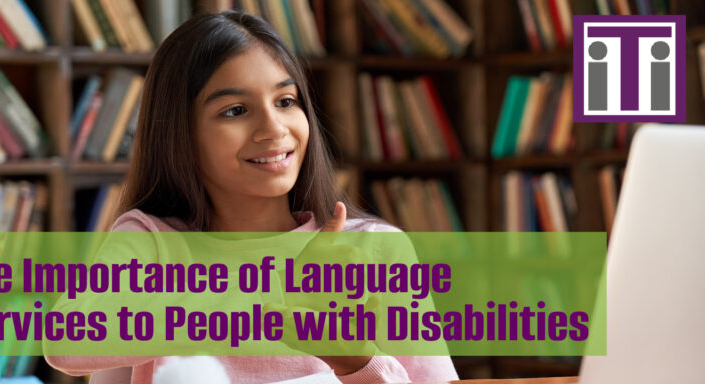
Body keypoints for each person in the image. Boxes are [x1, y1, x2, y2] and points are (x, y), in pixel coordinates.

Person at [46, 11, 459, 384]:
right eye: (235, 110)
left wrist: (356, 363)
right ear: (181, 135)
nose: (273, 128)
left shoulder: (374, 248)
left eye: (286, 101)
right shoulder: (152, 240)